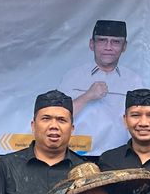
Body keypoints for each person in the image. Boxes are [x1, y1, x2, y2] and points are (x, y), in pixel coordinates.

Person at [59, 19, 144, 153]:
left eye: (116, 42)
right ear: (91, 44)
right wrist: (87, 96)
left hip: (119, 155)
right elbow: (58, 116)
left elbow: (141, 121)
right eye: (102, 40)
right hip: (77, 153)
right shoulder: (73, 76)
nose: (108, 47)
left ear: (124, 47)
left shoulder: (133, 80)